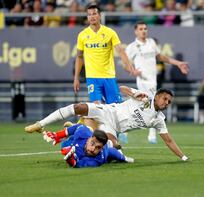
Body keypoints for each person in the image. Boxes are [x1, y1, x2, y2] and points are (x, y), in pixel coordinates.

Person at [25, 86, 190, 162]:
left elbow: (168, 140)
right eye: (165, 98)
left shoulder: (158, 119)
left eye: (169, 101)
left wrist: (183, 157)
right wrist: (135, 93)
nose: (166, 103)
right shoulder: (145, 97)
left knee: (111, 148)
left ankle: (74, 131)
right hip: (108, 110)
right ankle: (41, 123)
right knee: (78, 107)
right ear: (157, 95)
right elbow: (121, 88)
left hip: (113, 128)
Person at [125, 21, 189, 144]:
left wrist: (178, 63)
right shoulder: (132, 47)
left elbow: (161, 57)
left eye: (145, 28)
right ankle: (152, 134)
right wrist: (132, 70)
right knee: (153, 106)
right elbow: (125, 63)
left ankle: (127, 131)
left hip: (153, 81)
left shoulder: (151, 43)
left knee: (142, 107)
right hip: (143, 81)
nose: (144, 30)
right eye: (141, 29)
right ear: (136, 31)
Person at [74, 3, 140, 105]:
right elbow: (79, 57)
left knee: (115, 108)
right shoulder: (82, 35)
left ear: (100, 16)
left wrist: (129, 65)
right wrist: (76, 78)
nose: (92, 17)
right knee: (97, 108)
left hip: (108, 76)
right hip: (92, 77)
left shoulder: (110, 32)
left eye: (94, 14)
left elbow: (120, 51)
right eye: (89, 14)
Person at [43, 124, 134, 168]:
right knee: (65, 144)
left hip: (107, 151)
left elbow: (78, 165)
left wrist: (70, 160)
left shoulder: (96, 160)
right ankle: (66, 139)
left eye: (98, 147)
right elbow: (79, 126)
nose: (93, 149)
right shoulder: (84, 133)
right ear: (89, 139)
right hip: (80, 140)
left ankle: (121, 154)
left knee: (117, 155)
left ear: (101, 148)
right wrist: (58, 135)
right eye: (93, 144)